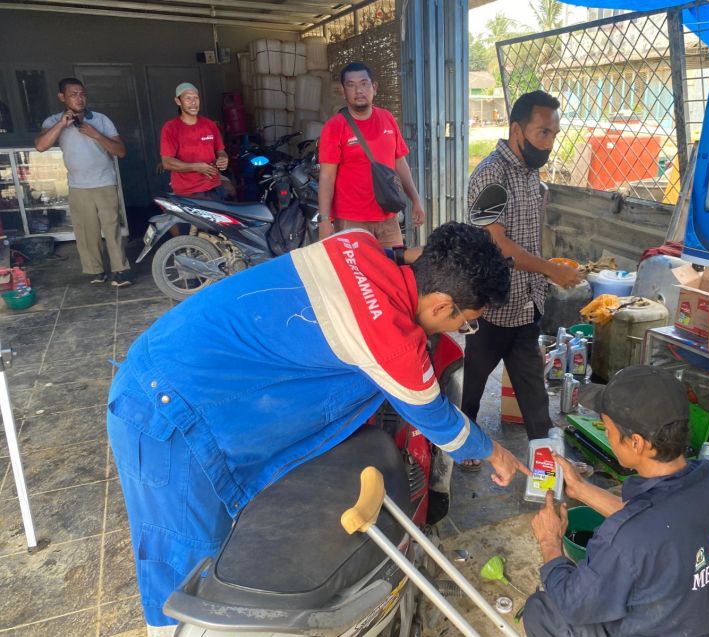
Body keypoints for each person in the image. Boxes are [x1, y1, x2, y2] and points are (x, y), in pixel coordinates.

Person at [107, 222, 530, 635]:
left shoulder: (355, 243)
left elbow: (398, 256)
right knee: (183, 570)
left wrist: (412, 255)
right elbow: (437, 419)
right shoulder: (393, 340)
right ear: (440, 305)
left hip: (175, 364)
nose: (461, 329)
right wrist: (496, 453)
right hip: (165, 412)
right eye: (466, 321)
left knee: (219, 545)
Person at [525, 365, 709, 637]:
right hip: (697, 626)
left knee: (542, 610)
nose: (607, 435)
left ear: (636, 442)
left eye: (608, 429)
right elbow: (656, 521)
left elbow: (573, 604)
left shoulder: (625, 539)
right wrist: (580, 489)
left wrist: (549, 542)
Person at [460, 90, 583, 470]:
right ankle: (463, 445)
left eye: (554, 134)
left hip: (527, 302)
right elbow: (498, 246)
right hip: (491, 305)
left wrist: (547, 268)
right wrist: (550, 270)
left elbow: (530, 234)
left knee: (532, 390)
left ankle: (548, 460)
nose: (549, 142)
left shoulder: (532, 174)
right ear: (517, 129)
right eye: (542, 133)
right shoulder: (490, 177)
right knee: (473, 386)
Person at [35, 77, 131, 287]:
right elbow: (41, 146)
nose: (79, 98)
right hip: (78, 185)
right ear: (62, 97)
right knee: (87, 232)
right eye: (73, 94)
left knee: (112, 228)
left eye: (82, 94)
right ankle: (96, 270)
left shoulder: (101, 120)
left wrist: (96, 134)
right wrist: (62, 124)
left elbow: (120, 151)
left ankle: (119, 270)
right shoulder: (53, 121)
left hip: (105, 182)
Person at [317, 61, 425, 247]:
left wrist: (416, 200)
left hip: (388, 219)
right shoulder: (335, 127)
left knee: (393, 270)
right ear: (343, 91)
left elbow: (400, 163)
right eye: (351, 85)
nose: (358, 90)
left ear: (374, 87)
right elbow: (327, 176)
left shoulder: (387, 119)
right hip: (351, 222)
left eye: (364, 83)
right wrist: (325, 220)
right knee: (357, 275)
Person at [160, 82, 229, 200]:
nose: (193, 102)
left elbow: (220, 150)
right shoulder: (171, 128)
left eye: (196, 98)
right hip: (188, 192)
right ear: (178, 101)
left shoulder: (209, 125)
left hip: (214, 187)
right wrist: (195, 167)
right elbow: (167, 162)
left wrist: (223, 159)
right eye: (188, 98)